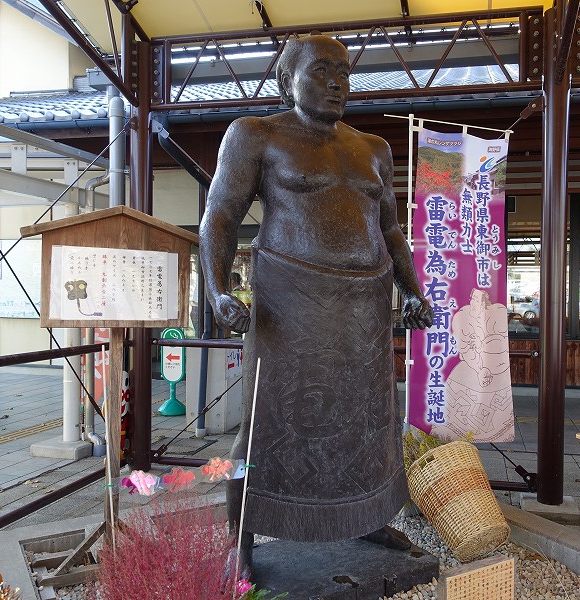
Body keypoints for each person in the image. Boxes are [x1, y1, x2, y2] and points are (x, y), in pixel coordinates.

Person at [199, 33, 433, 575]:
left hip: (365, 307)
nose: (336, 82)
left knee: (369, 419)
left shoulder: (373, 148)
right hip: (289, 303)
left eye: (344, 73)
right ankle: (242, 537)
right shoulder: (256, 135)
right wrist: (217, 290)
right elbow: (220, 216)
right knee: (268, 421)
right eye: (322, 70)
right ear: (287, 81)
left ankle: (368, 515)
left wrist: (412, 290)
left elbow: (392, 230)